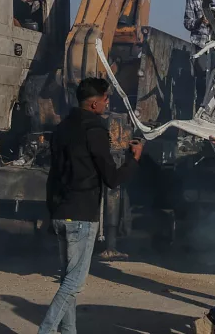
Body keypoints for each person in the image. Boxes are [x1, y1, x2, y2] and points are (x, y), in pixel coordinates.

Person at [38, 77, 143, 334]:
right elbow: (112, 179)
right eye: (106, 99)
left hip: (61, 213)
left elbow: (53, 176)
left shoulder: (61, 129)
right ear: (95, 104)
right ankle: (46, 330)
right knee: (74, 283)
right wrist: (133, 159)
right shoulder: (95, 132)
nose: (108, 103)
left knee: (67, 281)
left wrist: (52, 214)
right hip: (82, 216)